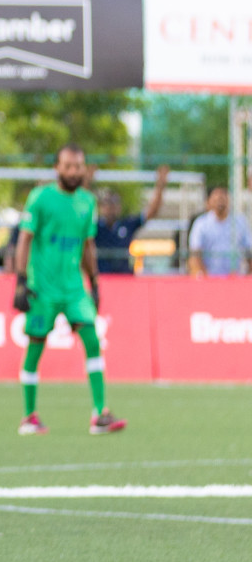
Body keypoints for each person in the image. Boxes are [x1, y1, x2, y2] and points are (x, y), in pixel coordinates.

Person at [12, 146, 126, 436]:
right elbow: (25, 240)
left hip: (75, 288)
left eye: (79, 167)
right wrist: (21, 281)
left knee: (92, 339)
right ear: (57, 167)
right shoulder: (41, 198)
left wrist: (96, 283)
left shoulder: (87, 202)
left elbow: (88, 246)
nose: (74, 172)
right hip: (43, 289)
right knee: (35, 347)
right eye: (69, 166)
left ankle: (100, 413)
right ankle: (29, 416)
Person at [94, 166, 167, 275]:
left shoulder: (127, 224)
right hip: (103, 279)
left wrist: (160, 185)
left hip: (125, 279)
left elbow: (152, 212)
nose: (111, 207)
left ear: (119, 207)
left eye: (114, 203)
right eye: (107, 203)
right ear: (101, 207)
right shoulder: (95, 227)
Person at [187, 186, 252, 277]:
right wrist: (205, 277)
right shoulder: (201, 224)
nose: (220, 201)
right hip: (210, 278)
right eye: (216, 198)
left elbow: (249, 251)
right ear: (209, 202)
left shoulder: (240, 222)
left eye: (223, 197)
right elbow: (195, 255)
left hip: (235, 278)